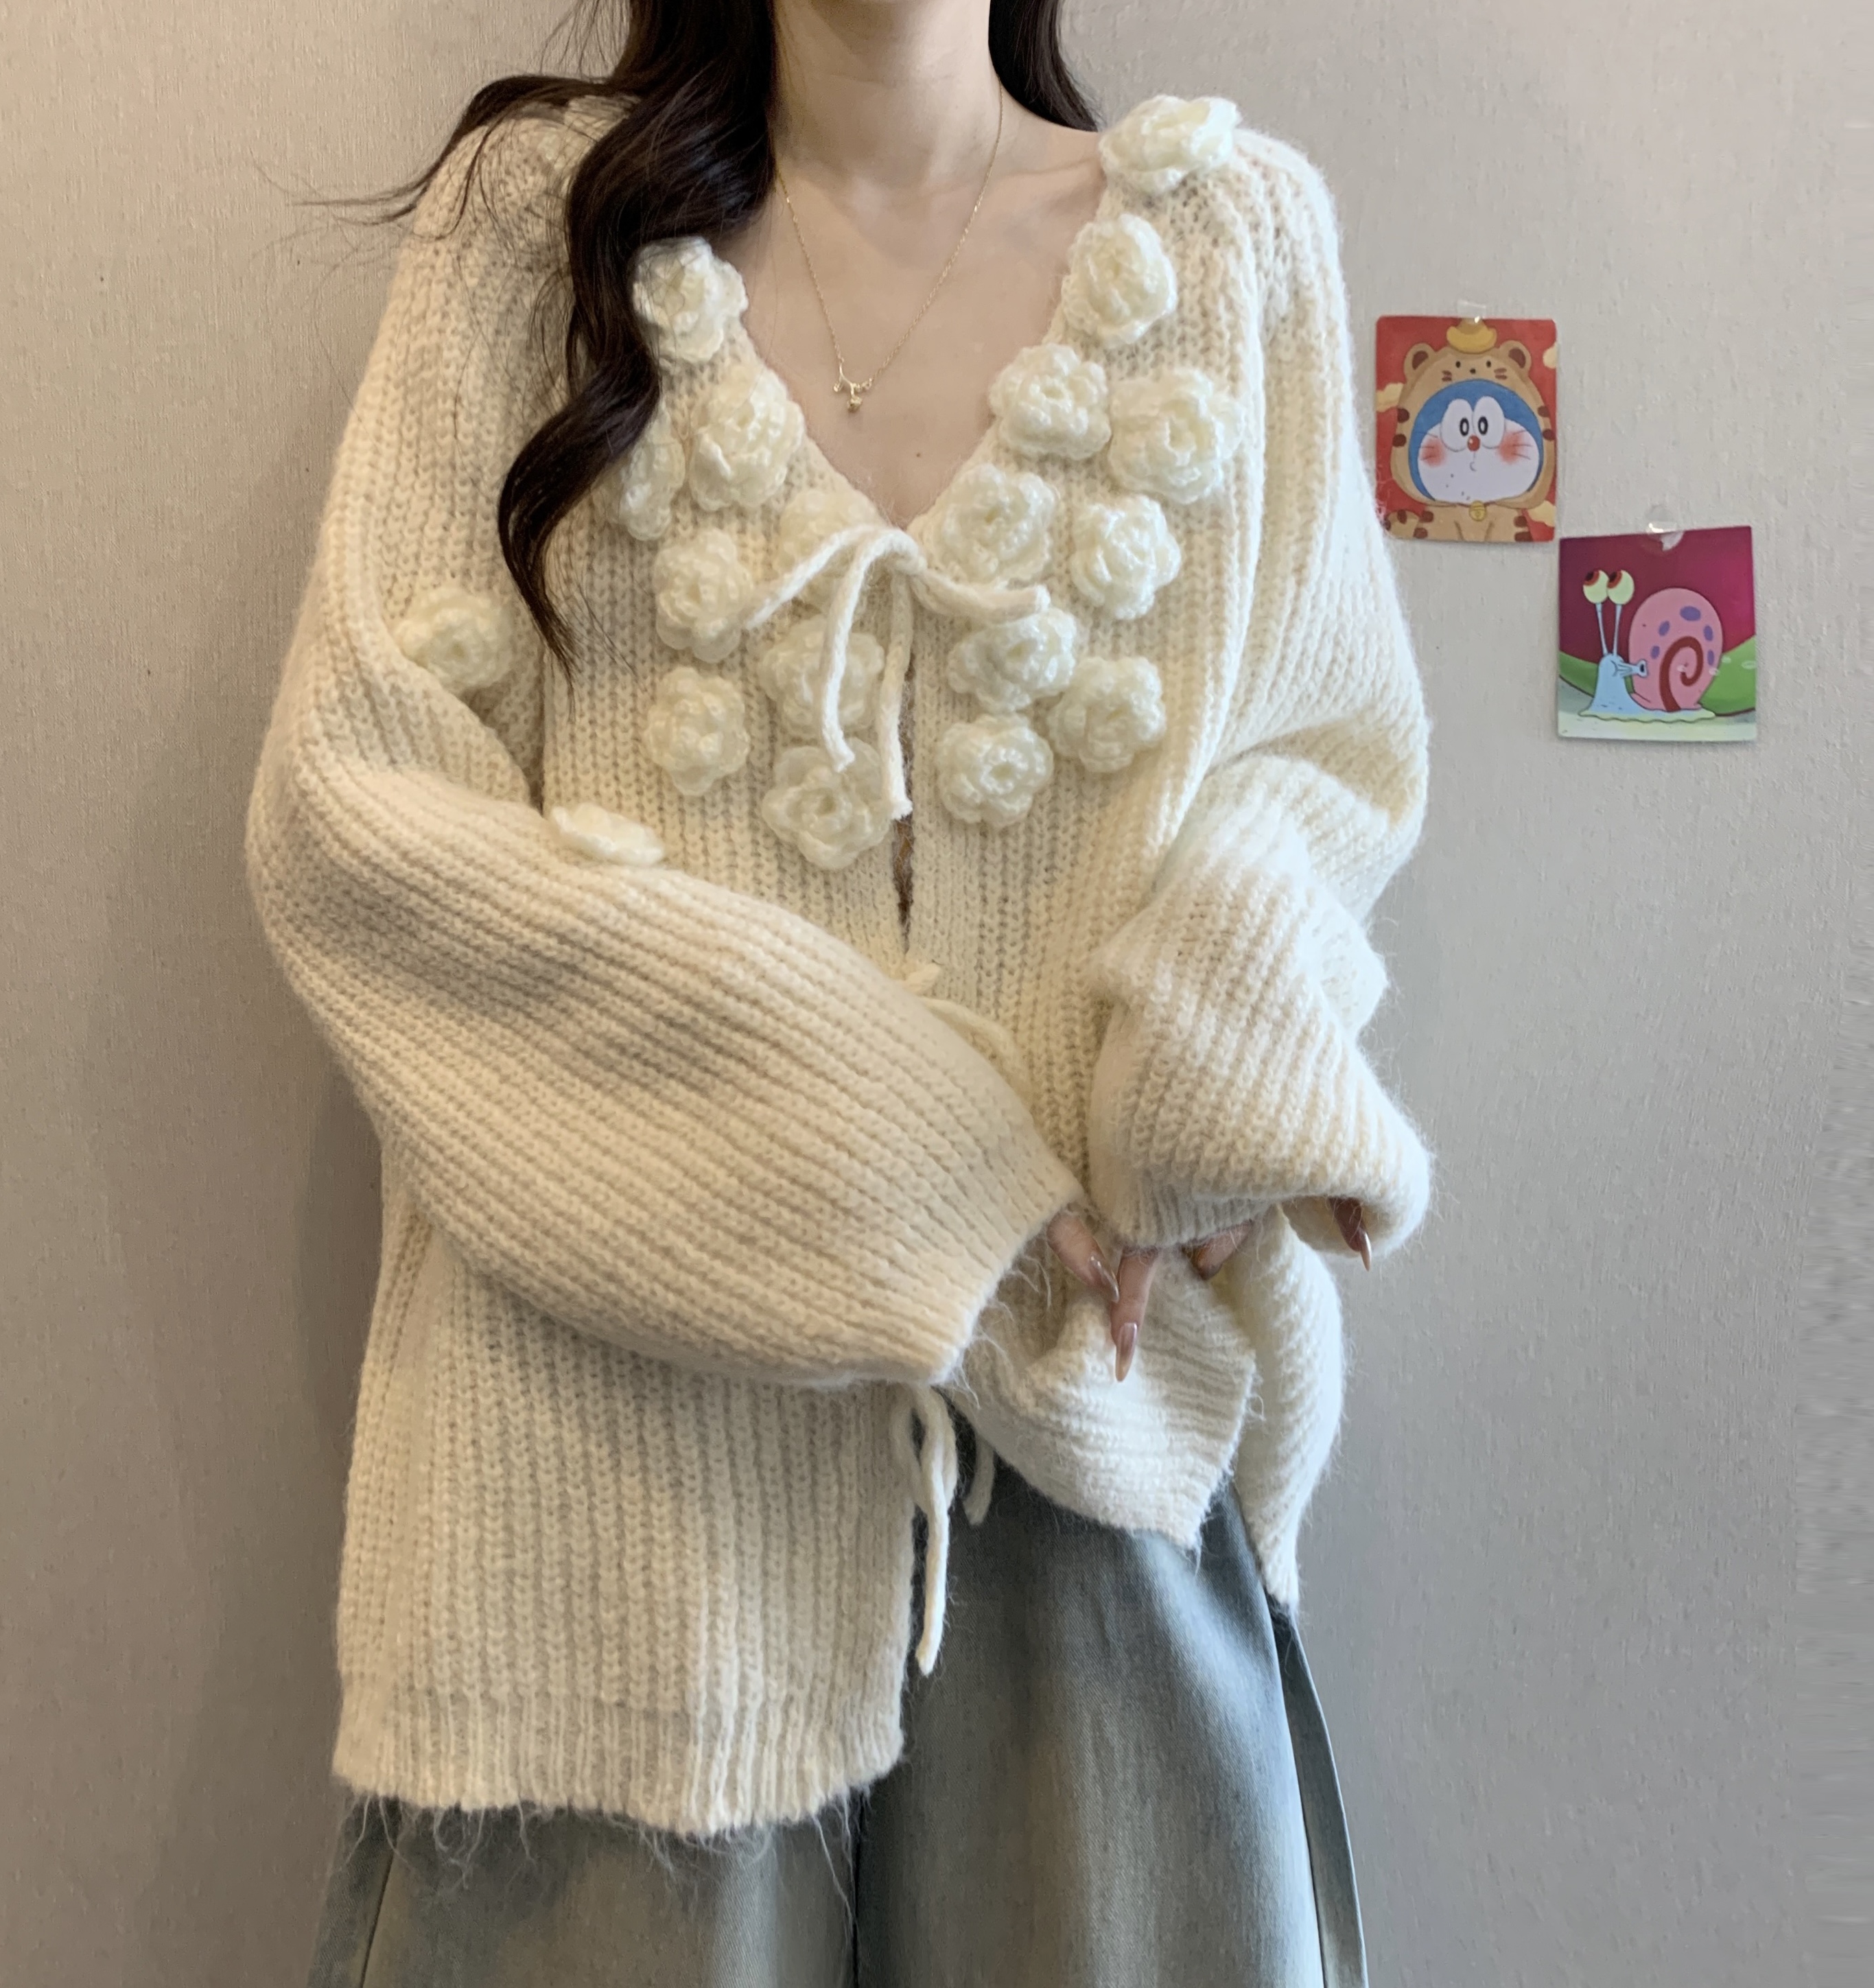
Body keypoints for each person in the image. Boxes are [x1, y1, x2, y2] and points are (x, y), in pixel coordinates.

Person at [246, 1, 1431, 1980]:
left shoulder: (1234, 247)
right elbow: (359, 820)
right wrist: (911, 1166)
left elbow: (1321, 761)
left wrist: (1226, 1059)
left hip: (1096, 1443)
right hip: (610, 1530)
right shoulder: (529, 235)